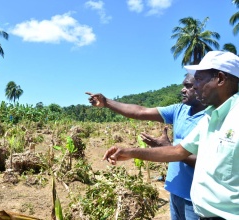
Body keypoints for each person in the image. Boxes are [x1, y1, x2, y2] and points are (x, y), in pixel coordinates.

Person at [102, 51, 239, 219]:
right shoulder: (210, 117)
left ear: (220, 79)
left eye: (200, 79)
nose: (195, 86)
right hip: (204, 213)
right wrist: (130, 152)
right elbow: (178, 151)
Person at [86, 73, 206, 220]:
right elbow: (140, 111)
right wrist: (107, 102)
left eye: (188, 86)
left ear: (201, 86)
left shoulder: (213, 117)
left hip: (196, 199)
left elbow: (207, 163)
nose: (182, 90)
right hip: (175, 191)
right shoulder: (180, 109)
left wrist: (170, 148)